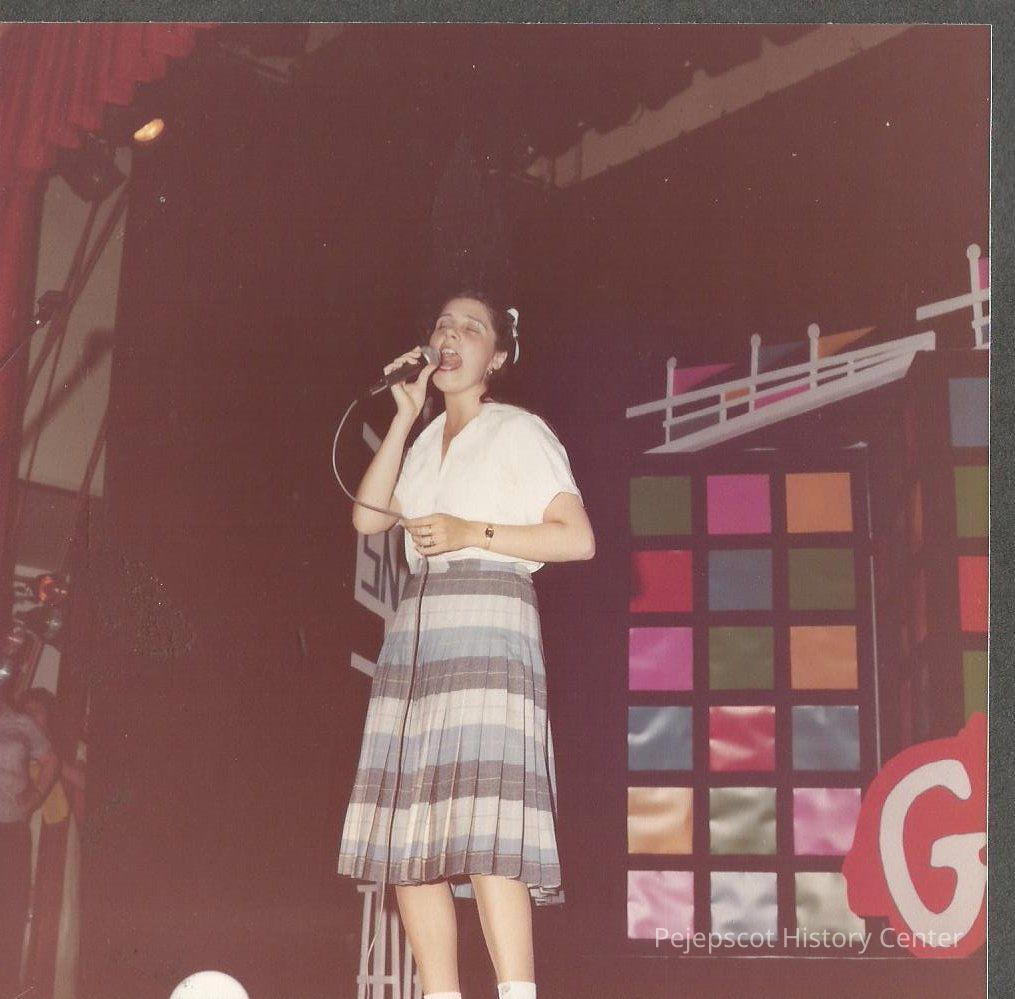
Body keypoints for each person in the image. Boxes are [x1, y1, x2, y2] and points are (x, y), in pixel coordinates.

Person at [337, 290, 595, 999]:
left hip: (489, 617)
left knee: (489, 824)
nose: (450, 336)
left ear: (498, 357)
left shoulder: (519, 430)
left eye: (471, 329)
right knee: (409, 836)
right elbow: (367, 518)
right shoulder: (421, 442)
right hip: (419, 632)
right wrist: (402, 416)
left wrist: (467, 532)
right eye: (442, 326)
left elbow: (577, 537)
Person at [0, 679, 60, 994]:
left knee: (8, 917)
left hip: (10, 832)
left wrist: (33, 799)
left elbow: (51, 761)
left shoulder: (20, 723)